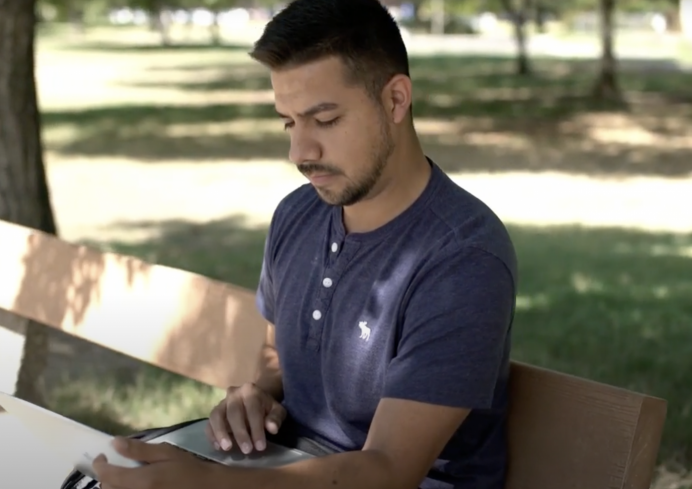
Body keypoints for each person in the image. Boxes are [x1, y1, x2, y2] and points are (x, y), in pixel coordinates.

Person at [76, 0, 518, 487]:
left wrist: (210, 485)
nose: (299, 153)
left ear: (395, 100)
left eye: (324, 120)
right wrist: (257, 395)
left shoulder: (462, 257)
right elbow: (276, 360)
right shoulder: (298, 214)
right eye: (289, 122)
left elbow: (389, 470)